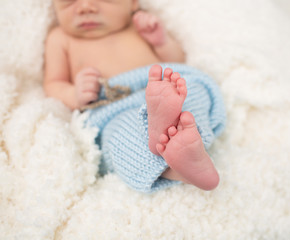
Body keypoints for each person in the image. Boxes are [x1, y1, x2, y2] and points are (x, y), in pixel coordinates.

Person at [44, 0, 225, 193]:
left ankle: (181, 136)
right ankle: (180, 167)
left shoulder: (140, 26)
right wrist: (74, 94)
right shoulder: (60, 38)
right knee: (121, 138)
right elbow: (53, 84)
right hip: (112, 109)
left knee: (193, 90)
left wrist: (162, 42)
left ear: (133, 3)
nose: (85, 7)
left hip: (163, 89)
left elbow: (178, 62)